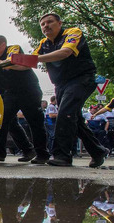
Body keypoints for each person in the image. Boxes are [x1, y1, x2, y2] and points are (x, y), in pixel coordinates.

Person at [32, 13, 108, 167]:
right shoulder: (43, 43)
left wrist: (34, 59)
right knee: (74, 118)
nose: (46, 26)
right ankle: (98, 151)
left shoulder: (73, 33)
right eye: (42, 24)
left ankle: (62, 155)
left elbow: (65, 52)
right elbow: (25, 61)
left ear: (59, 23)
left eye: (50, 22)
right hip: (60, 84)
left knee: (65, 113)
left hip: (82, 79)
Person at [0, 35, 49, 164]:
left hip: (28, 90)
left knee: (35, 122)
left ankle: (42, 154)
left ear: (2, 45)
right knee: (3, 119)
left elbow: (11, 63)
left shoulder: (13, 49)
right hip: (11, 92)